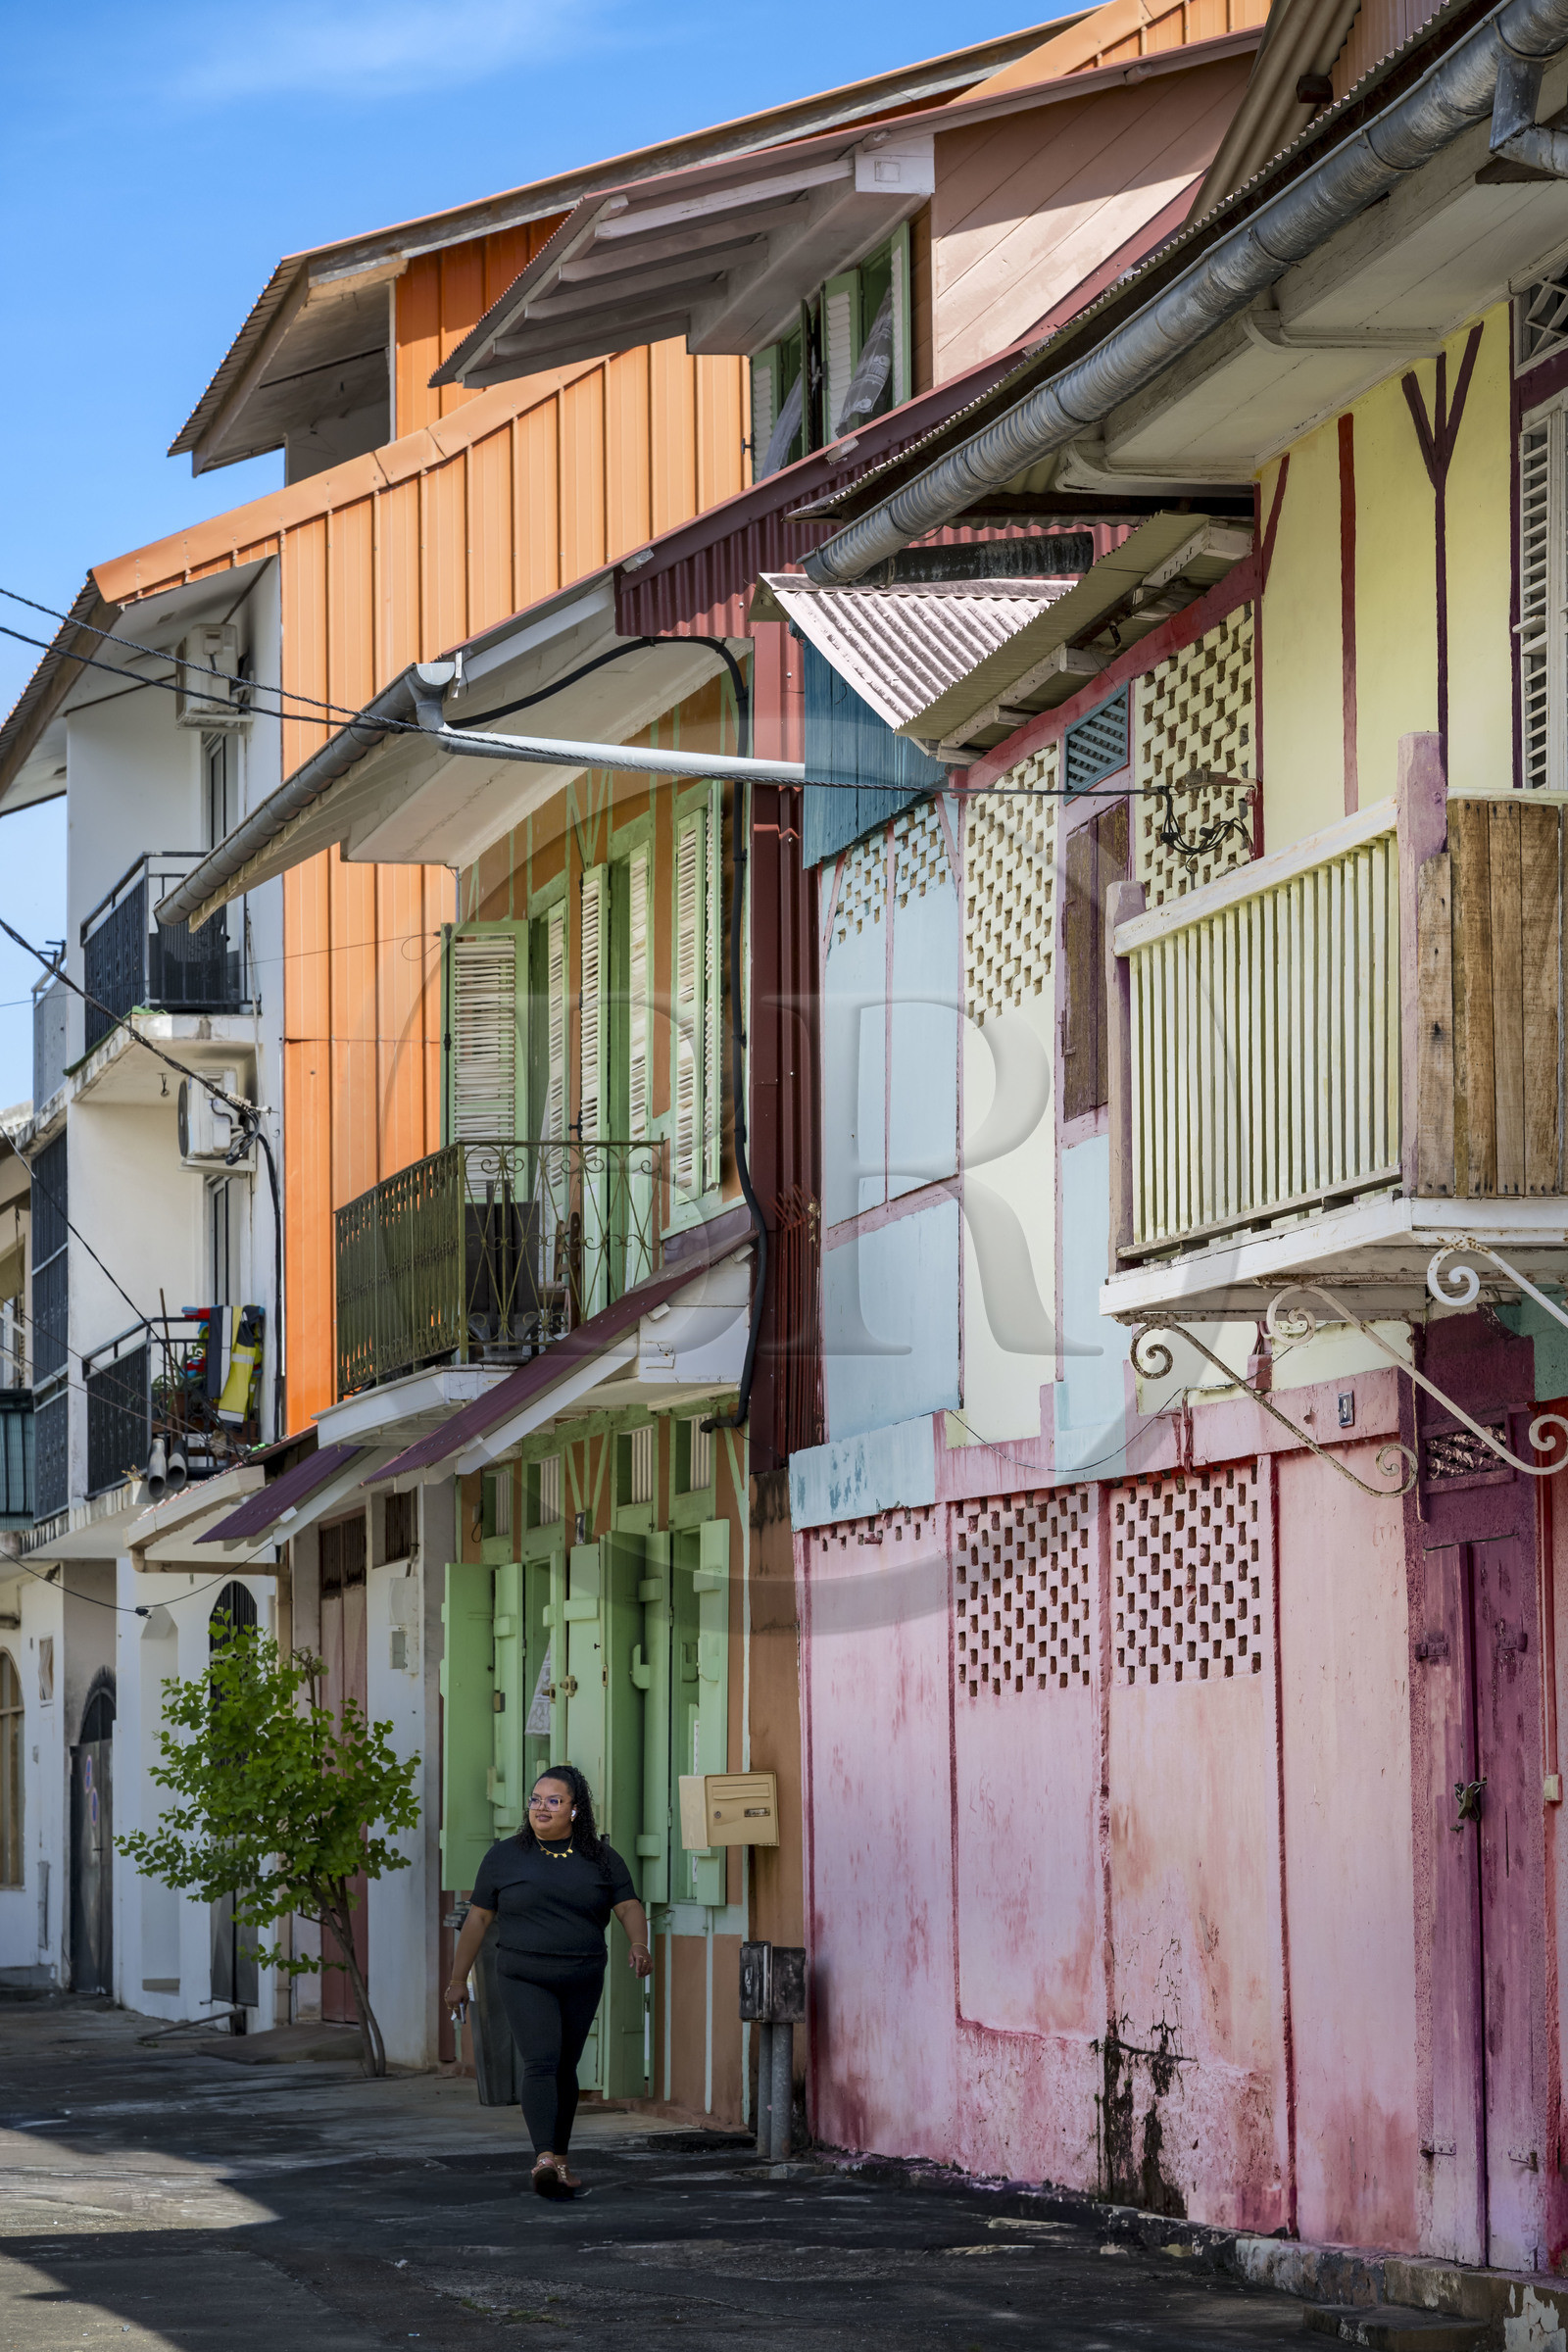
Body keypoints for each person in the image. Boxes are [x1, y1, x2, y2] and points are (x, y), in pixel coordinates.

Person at [444, 1762, 652, 2197]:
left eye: (553, 1801)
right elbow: (478, 1919)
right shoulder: (504, 1856)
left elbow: (629, 1905)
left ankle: (559, 2159)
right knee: (541, 2060)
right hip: (524, 1974)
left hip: (581, 1974)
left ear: (575, 1810)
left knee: (564, 2067)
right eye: (536, 1799)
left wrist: (638, 1944)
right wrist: (457, 1979)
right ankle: (542, 2156)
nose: (541, 1808)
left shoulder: (600, 1857)